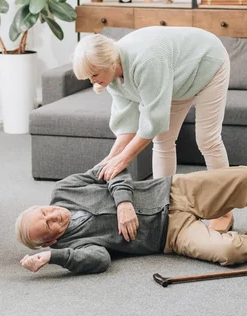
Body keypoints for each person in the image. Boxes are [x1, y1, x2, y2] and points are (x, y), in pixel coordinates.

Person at [15, 165, 247, 275]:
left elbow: (115, 170)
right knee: (230, 253)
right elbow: (99, 259)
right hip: (170, 235)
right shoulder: (69, 246)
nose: (54, 216)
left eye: (45, 211)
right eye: (50, 225)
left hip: (173, 191)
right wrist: (55, 258)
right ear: (51, 240)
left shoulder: (64, 189)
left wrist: (124, 202)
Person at [72, 26, 232, 232]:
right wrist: (109, 161)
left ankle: (225, 211)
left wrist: (122, 160)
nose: (92, 81)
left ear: (109, 63)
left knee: (207, 139)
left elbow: (154, 122)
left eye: (94, 74)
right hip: (177, 78)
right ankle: (163, 208)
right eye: (88, 77)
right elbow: (127, 127)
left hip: (208, 62)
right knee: (163, 141)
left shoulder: (146, 61)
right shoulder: (111, 77)